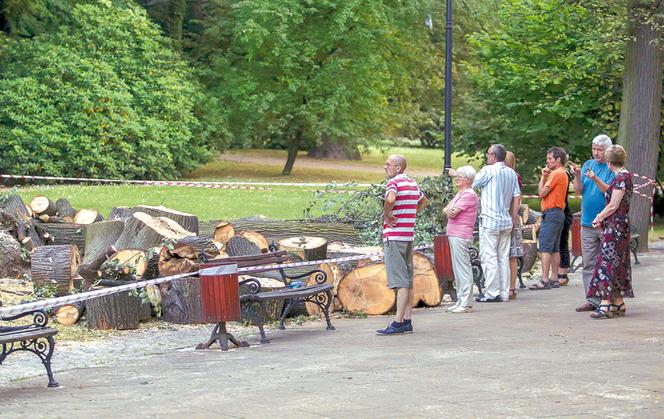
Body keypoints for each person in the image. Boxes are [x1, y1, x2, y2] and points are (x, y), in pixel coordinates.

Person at [377, 154, 429, 335]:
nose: (385, 167)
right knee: (407, 278)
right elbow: (424, 201)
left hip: (394, 236)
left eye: (388, 164)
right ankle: (407, 320)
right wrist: (411, 215)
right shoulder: (413, 183)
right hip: (408, 236)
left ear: (398, 168)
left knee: (400, 281)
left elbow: (390, 199)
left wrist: (387, 214)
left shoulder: (394, 183)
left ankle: (398, 322)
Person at [587, 145, 633, 319]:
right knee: (618, 264)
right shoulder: (622, 176)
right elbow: (610, 192)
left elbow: (614, 205)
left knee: (606, 263)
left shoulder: (621, 177)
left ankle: (605, 304)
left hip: (616, 227)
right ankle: (618, 302)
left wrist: (599, 216)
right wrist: (595, 179)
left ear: (609, 162)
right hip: (618, 226)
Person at [570, 134, 615, 312]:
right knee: (588, 262)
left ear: (608, 151)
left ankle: (608, 299)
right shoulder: (588, 164)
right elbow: (579, 190)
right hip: (587, 222)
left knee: (607, 262)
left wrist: (595, 178)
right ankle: (592, 299)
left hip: (605, 222)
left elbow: (610, 192)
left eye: (600, 150)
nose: (596, 153)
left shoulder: (612, 167)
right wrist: (578, 176)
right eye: (594, 149)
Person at [472, 144, 520, 302]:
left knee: (489, 257)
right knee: (502, 257)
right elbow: (516, 196)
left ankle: (492, 292)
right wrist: (513, 220)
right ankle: (505, 292)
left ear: (493, 155)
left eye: (488, 154)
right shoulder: (511, 173)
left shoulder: (488, 170)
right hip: (506, 220)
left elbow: (473, 183)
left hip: (490, 220)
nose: (487, 157)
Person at [529, 146, 568, 290]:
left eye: (550, 159)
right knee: (554, 247)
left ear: (558, 160)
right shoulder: (563, 173)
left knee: (545, 246)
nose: (547, 161)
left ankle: (544, 279)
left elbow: (541, 193)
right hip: (558, 213)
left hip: (551, 213)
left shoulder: (556, 174)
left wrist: (543, 177)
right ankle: (554, 277)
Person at [444, 165, 479, 313]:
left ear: (468, 180)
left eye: (460, 176)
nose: (456, 178)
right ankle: (461, 300)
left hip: (461, 234)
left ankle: (466, 302)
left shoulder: (469, 194)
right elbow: (446, 209)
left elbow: (452, 212)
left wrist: (449, 210)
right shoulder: (461, 193)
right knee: (457, 269)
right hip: (454, 233)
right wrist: (448, 209)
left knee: (463, 268)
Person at [504, 151, 524, 300]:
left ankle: (510, 286)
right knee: (509, 255)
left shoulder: (512, 176)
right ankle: (509, 286)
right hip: (510, 216)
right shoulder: (513, 176)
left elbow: (517, 198)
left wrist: (513, 216)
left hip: (510, 216)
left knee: (510, 255)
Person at [556, 165, 574, 286]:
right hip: (558, 211)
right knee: (557, 244)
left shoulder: (563, 174)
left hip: (563, 212)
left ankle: (563, 272)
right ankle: (558, 271)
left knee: (563, 242)